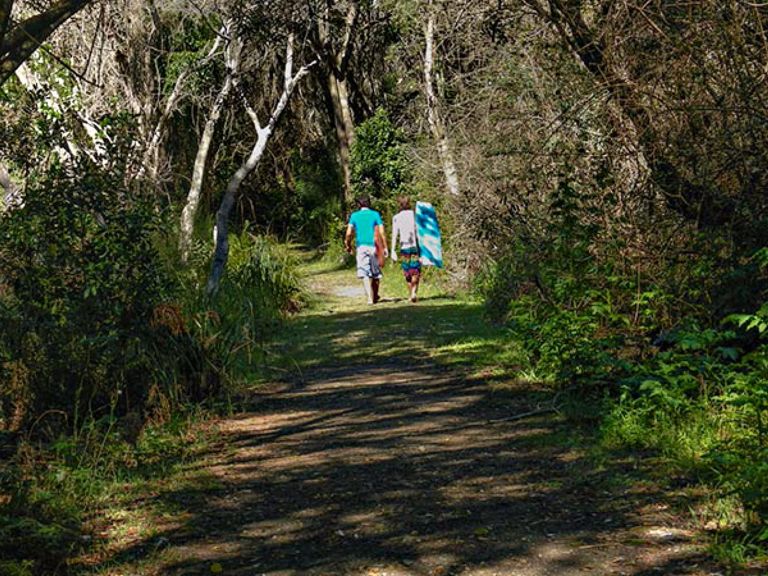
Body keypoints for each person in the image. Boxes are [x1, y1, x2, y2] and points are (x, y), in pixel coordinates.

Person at [345, 196, 387, 304]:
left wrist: (348, 244)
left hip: (361, 246)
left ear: (359, 205)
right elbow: (382, 232)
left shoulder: (354, 216)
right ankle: (375, 295)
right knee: (375, 272)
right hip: (374, 246)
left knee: (364, 272)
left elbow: (349, 233)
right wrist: (385, 247)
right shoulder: (375, 214)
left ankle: (369, 298)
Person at [390, 196, 421, 302]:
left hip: (404, 247)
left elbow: (395, 234)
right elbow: (419, 231)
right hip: (414, 246)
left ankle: (411, 293)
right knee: (415, 270)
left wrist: (392, 250)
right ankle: (414, 292)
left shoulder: (396, 217)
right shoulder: (414, 215)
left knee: (407, 271)